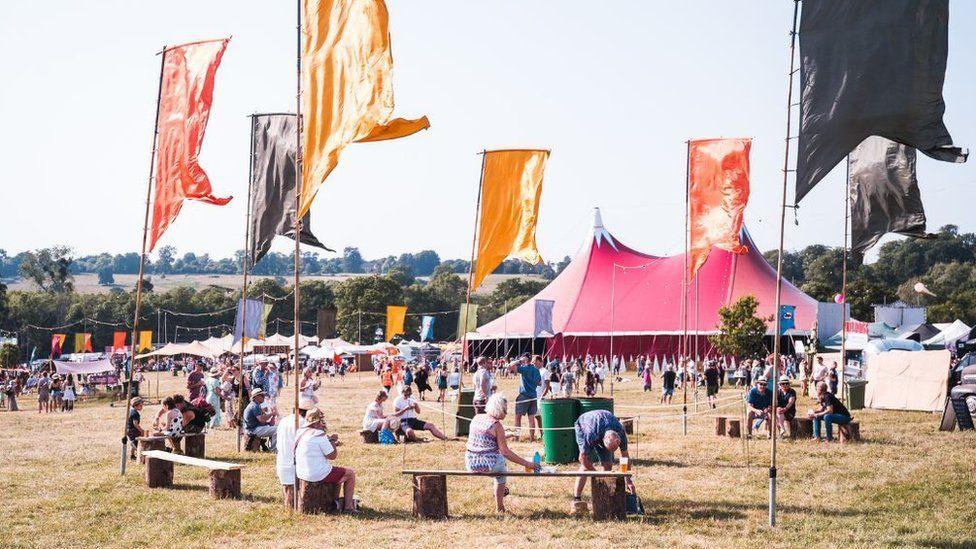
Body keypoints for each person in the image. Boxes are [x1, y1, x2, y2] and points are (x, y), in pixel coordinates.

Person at [465, 393, 540, 513]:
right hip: (488, 464)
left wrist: (504, 435)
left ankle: (501, 490)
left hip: (470, 462)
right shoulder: (497, 425)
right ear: (501, 409)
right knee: (501, 470)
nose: (506, 412)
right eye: (505, 409)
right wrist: (527, 464)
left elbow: (484, 438)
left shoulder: (476, 417)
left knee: (498, 462)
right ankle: (500, 507)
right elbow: (505, 452)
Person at [294, 408, 358, 513]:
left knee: (338, 473)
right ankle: (348, 507)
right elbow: (332, 456)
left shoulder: (300, 432)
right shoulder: (319, 434)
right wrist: (332, 441)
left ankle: (335, 502)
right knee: (350, 473)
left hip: (301, 473)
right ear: (317, 422)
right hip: (317, 475)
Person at [572, 409, 633, 501]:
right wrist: (597, 475)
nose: (610, 452)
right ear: (603, 440)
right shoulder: (591, 433)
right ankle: (577, 498)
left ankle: (603, 496)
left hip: (603, 425)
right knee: (585, 466)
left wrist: (628, 479)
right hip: (583, 424)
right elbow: (582, 458)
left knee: (608, 465)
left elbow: (625, 457)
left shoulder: (620, 432)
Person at [276, 399, 314, 507]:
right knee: (293, 497)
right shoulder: (302, 423)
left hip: (282, 460)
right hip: (294, 463)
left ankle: (289, 512)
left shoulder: (284, 420)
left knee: (288, 493)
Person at [509, 354, 542, 441]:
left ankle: (516, 438)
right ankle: (532, 438)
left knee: (518, 417)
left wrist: (520, 361)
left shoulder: (525, 368)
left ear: (526, 359)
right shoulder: (536, 370)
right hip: (533, 396)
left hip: (524, 396)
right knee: (531, 418)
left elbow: (510, 366)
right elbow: (539, 383)